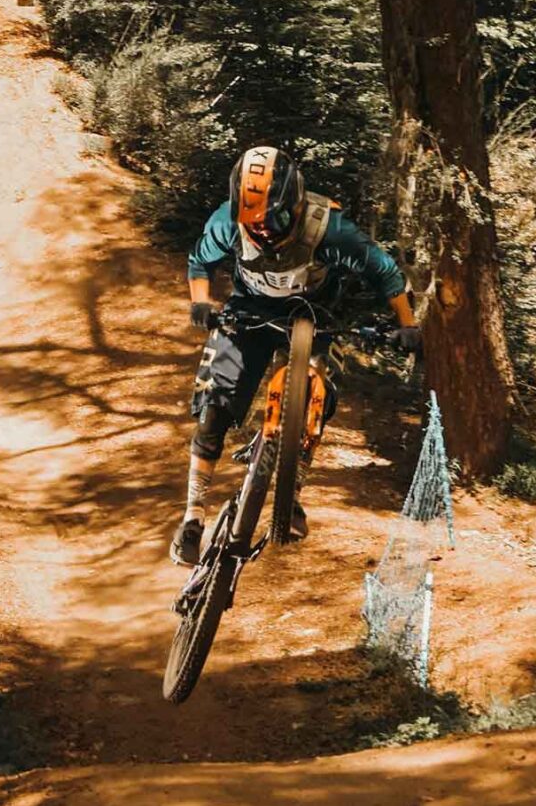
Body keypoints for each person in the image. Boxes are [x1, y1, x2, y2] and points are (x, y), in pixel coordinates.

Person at [171, 146, 420, 567]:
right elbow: (200, 262)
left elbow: (384, 272)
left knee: (318, 398)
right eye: (254, 225)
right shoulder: (226, 221)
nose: (265, 233)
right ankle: (192, 516)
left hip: (318, 315)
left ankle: (294, 491)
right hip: (248, 311)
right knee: (215, 403)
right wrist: (200, 302)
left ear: (296, 203)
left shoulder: (330, 230)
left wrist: (408, 325)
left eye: (275, 221)